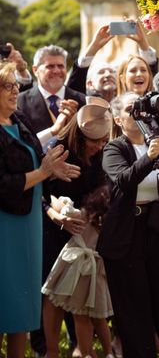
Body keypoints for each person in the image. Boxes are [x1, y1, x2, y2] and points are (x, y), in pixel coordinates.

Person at [98, 92, 159, 358]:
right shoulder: (114, 148)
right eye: (132, 109)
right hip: (126, 238)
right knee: (135, 315)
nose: (138, 113)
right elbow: (123, 180)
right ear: (118, 119)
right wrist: (148, 157)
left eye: (140, 107)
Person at [0, 60, 80, 358]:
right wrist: (43, 172)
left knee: (23, 305)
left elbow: (34, 152)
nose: (15, 92)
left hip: (28, 223)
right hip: (5, 226)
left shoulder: (18, 121)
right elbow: (4, 184)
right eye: (8, 86)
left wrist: (52, 168)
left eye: (15, 86)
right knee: (4, 300)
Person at [41, 97, 112, 358]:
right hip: (52, 230)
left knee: (83, 299)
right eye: (95, 141)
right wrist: (53, 213)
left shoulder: (102, 153)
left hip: (85, 233)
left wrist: (92, 212)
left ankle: (87, 350)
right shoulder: (57, 149)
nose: (100, 146)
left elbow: (104, 189)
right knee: (52, 293)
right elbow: (36, 191)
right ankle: (50, 351)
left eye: (104, 141)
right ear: (80, 136)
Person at [42, 188, 114, 358]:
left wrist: (63, 202)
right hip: (94, 273)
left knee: (80, 315)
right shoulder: (109, 223)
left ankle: (86, 352)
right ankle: (106, 352)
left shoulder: (84, 215)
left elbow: (67, 211)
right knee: (97, 318)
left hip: (79, 272)